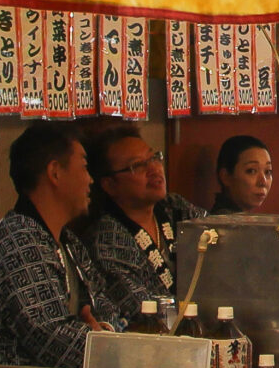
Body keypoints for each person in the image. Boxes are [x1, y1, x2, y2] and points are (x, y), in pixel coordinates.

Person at [0, 122, 101, 367]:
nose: (90, 180)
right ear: (55, 172)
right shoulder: (16, 241)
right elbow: (54, 341)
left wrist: (105, 330)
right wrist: (106, 343)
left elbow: (104, 305)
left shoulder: (68, 243)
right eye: (83, 167)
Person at [71, 122, 205, 326]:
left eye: (153, 158)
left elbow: (217, 238)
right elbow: (142, 311)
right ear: (109, 184)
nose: (154, 169)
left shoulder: (174, 207)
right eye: (137, 166)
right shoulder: (107, 239)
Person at [208, 134, 275, 213]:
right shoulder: (220, 220)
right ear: (226, 176)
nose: (263, 182)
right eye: (251, 171)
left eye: (267, 171)